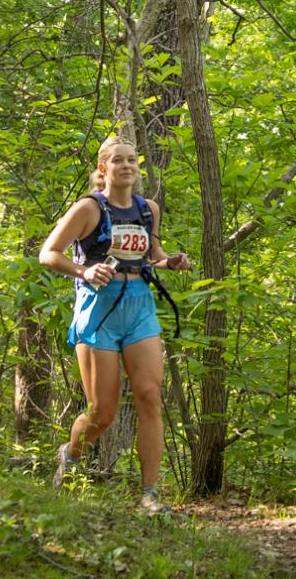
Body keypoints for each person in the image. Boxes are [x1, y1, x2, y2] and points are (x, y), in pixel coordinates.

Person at [39, 136, 191, 513]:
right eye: (118, 161)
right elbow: (48, 253)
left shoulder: (147, 209)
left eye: (132, 161)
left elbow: (151, 253)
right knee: (102, 412)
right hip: (99, 309)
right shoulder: (88, 208)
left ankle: (150, 494)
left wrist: (169, 262)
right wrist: (84, 270)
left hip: (139, 306)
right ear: (103, 168)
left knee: (150, 396)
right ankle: (71, 454)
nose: (127, 166)